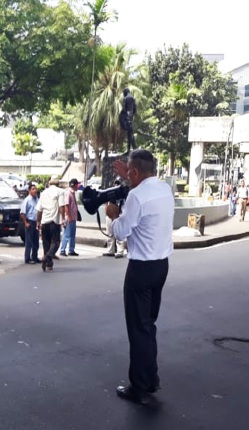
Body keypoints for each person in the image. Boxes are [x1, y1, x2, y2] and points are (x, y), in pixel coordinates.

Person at [106, 149, 174, 405]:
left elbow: (122, 232)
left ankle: (140, 386)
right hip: (161, 266)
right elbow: (141, 187)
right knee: (148, 325)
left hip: (141, 269)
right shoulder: (164, 189)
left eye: (130, 173)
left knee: (138, 329)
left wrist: (112, 217)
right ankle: (151, 378)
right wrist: (130, 178)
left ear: (134, 172)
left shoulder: (136, 196)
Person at [36, 176, 66, 272]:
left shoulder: (43, 193)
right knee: (56, 242)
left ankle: (49, 264)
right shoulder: (60, 192)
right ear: (58, 184)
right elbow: (61, 206)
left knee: (46, 244)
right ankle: (48, 256)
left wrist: (38, 222)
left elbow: (39, 209)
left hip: (44, 221)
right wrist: (63, 219)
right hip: (54, 221)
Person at [104, 179, 127, 258]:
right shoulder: (111, 193)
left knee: (119, 233)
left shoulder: (123, 195)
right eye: (115, 184)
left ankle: (120, 251)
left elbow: (125, 205)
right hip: (110, 214)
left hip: (119, 215)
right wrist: (107, 212)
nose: (116, 186)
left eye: (118, 184)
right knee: (109, 233)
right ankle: (110, 250)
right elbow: (106, 203)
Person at [59, 178, 80, 257]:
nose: (78, 186)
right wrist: (68, 216)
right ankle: (62, 250)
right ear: (74, 185)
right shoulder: (68, 193)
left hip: (73, 217)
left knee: (72, 235)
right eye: (77, 185)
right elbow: (66, 206)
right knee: (67, 234)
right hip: (69, 218)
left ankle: (71, 250)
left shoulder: (73, 193)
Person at [20, 184, 40, 264]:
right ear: (29, 191)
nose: (35, 190)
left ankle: (34, 257)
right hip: (30, 222)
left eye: (35, 189)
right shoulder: (27, 200)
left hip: (36, 222)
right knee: (29, 241)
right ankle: (27, 258)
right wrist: (26, 223)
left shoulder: (37, 199)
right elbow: (22, 213)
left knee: (36, 241)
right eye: (33, 189)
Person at [120, 88, 137, 152]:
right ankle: (131, 149)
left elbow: (124, 109)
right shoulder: (133, 98)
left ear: (125, 92)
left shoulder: (126, 98)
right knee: (130, 133)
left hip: (127, 117)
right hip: (131, 116)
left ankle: (132, 148)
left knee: (130, 134)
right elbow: (135, 108)